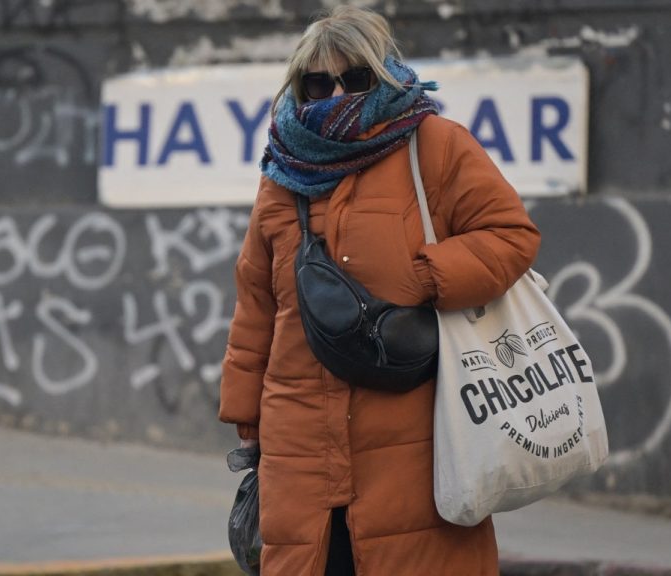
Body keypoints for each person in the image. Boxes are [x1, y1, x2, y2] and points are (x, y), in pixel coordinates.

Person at [219, 6, 540, 575]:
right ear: (299, 87)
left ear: (384, 74)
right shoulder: (283, 171)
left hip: (417, 431)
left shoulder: (435, 146)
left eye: (357, 78)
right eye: (319, 82)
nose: (338, 92)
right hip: (299, 440)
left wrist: (425, 276)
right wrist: (248, 423)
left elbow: (512, 235)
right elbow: (257, 304)